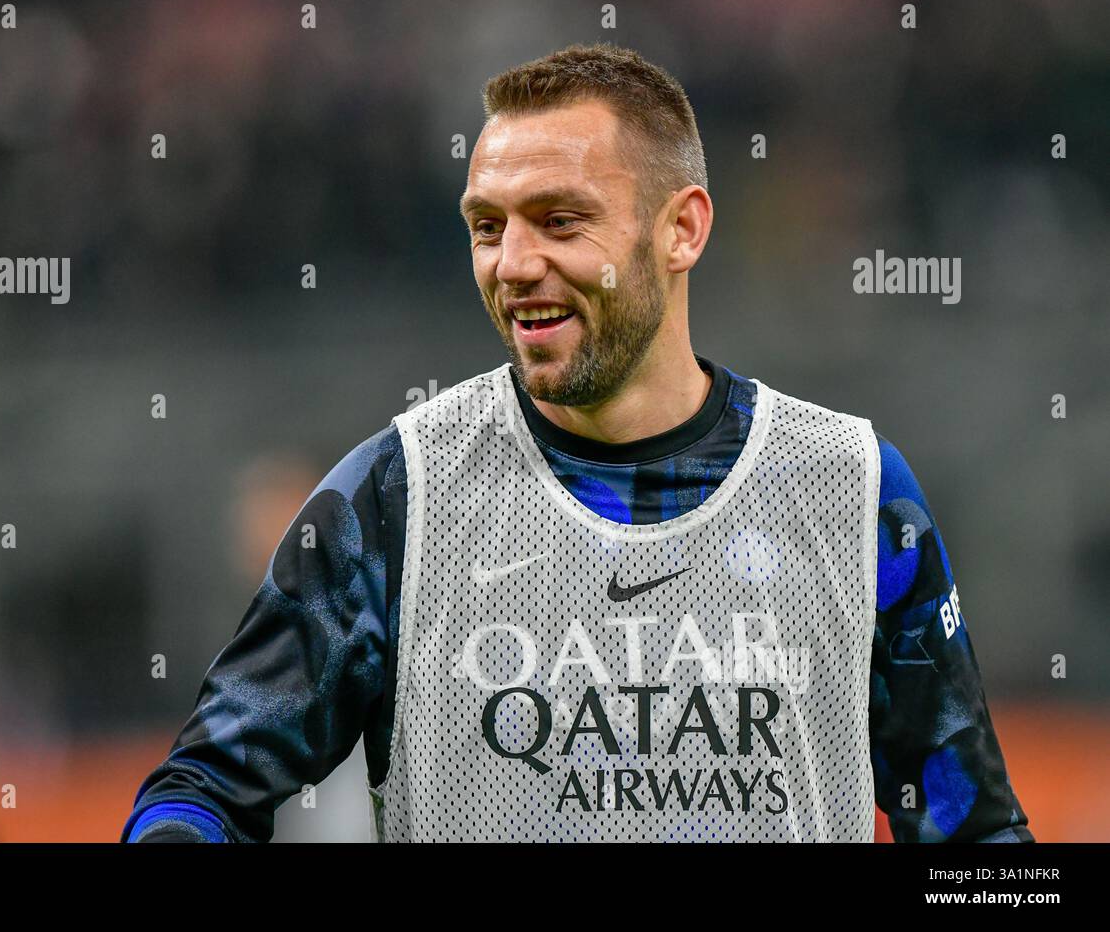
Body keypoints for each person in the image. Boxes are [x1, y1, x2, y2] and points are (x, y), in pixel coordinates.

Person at [123, 43, 1032, 843]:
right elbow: (201, 791)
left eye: (560, 221)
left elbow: (975, 842)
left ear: (682, 229)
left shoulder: (853, 487)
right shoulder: (395, 499)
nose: (514, 263)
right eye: (488, 226)